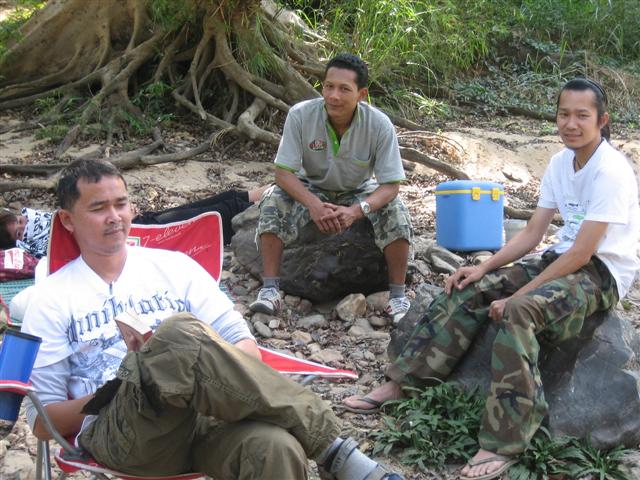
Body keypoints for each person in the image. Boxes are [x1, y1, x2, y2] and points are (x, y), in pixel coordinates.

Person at [20, 159, 403, 480]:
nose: (115, 217)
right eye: (98, 208)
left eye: (121, 204)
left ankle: (327, 447)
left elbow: (245, 349)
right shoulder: (50, 299)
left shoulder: (175, 266)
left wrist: (186, 375)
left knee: (275, 448)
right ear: (67, 220)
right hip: (125, 435)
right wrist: (132, 382)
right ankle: (334, 448)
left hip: (206, 419)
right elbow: (43, 422)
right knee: (175, 335)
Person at [342, 78, 640, 479]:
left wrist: (519, 295)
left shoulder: (611, 170)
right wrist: (483, 267)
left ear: (602, 120)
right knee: (470, 288)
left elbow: (582, 253)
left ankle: (504, 442)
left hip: (601, 274)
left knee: (520, 313)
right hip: (558, 258)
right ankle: (406, 381)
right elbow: (533, 233)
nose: (570, 124)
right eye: (563, 114)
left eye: (581, 116)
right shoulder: (560, 162)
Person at [250, 53, 413, 323]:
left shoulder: (379, 124)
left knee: (395, 210)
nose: (334, 96)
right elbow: (283, 173)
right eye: (328, 86)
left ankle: (397, 297)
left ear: (361, 94)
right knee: (273, 199)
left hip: (359, 190)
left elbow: (391, 186)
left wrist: (356, 211)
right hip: (311, 185)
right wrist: (313, 205)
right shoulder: (301, 115)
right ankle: (270, 290)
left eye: (344, 89)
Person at [0, 186, 268, 257]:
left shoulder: (58, 219)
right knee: (216, 215)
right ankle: (274, 199)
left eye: (20, 221)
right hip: (145, 235)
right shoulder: (39, 249)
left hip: (141, 222)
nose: (26, 225)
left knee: (220, 200)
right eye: (20, 232)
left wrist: (122, 211)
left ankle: (271, 189)